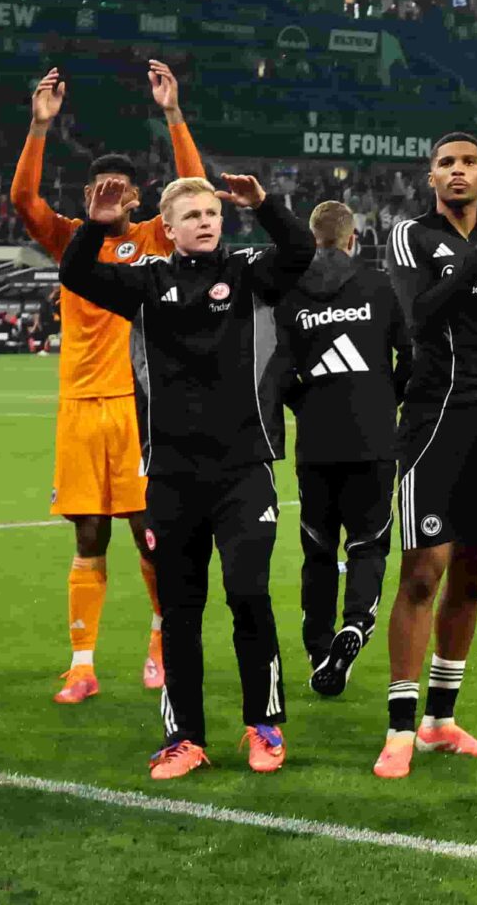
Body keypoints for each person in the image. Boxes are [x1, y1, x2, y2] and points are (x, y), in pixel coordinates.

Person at [58, 172, 314, 778]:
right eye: (192, 215)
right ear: (168, 229)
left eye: (211, 214)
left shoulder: (250, 272)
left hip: (244, 469)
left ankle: (264, 725)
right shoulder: (146, 282)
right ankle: (184, 738)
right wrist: (95, 226)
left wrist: (264, 205)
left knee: (248, 594)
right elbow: (76, 275)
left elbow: (299, 250)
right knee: (180, 609)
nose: (205, 222)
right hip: (172, 474)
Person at [11, 62, 198, 703]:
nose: (111, 195)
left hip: (142, 409)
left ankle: (160, 643)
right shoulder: (70, 240)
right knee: (88, 534)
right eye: (100, 188)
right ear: (87, 197)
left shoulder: (155, 239)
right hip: (80, 409)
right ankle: (82, 665)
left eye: (121, 188)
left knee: (149, 532)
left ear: (140, 199)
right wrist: (40, 126)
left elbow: (194, 188)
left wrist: (172, 114)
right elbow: (24, 201)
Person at [375, 133, 477, 778]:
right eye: (446, 163)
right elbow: (421, 314)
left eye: (469, 162)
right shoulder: (411, 236)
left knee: (475, 568)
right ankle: (399, 726)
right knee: (423, 570)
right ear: (431, 178)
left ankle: (440, 721)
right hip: (434, 413)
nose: (458, 171)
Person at [279, 199, 410, 696]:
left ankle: (319, 649)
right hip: (373, 438)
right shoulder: (379, 286)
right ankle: (355, 623)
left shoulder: (291, 293)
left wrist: (304, 404)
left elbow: (277, 370)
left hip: (316, 441)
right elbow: (412, 355)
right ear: (354, 239)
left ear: (312, 239)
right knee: (367, 544)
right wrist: (386, 397)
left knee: (317, 550)